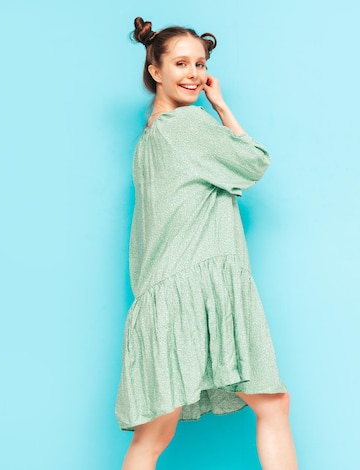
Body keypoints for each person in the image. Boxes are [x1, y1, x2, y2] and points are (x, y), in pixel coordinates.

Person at [115, 17, 298, 470]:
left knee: (152, 438)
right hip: (197, 290)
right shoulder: (187, 127)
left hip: (166, 293)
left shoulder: (151, 137)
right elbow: (253, 163)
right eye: (181, 63)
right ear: (155, 71)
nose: (194, 74)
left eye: (201, 64)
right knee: (273, 406)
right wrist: (221, 107)